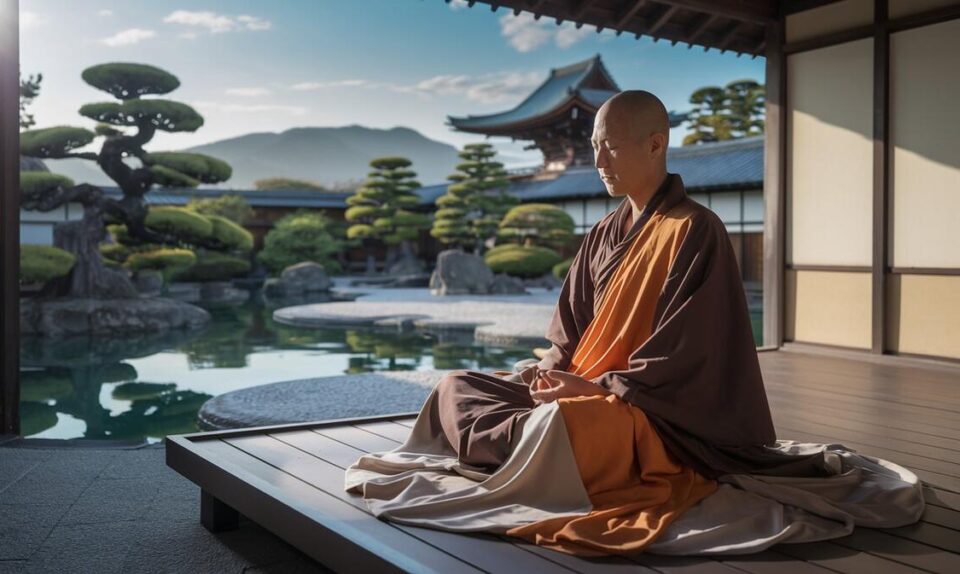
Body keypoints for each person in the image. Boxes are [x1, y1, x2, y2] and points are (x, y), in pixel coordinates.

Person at [345, 90, 923, 556]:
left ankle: (526, 447)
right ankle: (524, 443)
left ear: (655, 144)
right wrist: (550, 372)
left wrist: (590, 388)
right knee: (456, 386)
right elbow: (569, 330)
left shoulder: (695, 230)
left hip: (643, 411)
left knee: (564, 424)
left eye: (610, 148)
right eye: (594, 148)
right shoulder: (602, 232)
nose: (598, 163)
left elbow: (685, 355)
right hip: (583, 388)